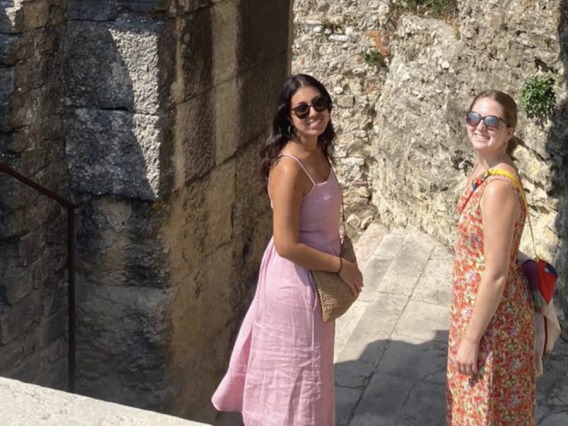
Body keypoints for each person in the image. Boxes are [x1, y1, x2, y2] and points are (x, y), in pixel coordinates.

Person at [211, 74, 363, 425]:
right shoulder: (289, 166)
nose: (314, 113)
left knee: (311, 377)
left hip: (315, 282)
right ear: (287, 117)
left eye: (320, 104)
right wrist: (341, 266)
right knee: (296, 381)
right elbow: (286, 244)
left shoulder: (318, 150)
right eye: (302, 109)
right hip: (297, 285)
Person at [446, 90, 536, 425]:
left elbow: (496, 273)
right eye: (474, 118)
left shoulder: (497, 187)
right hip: (477, 311)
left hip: (492, 324)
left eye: (492, 121)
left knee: (485, 410)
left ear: (509, 131)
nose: (479, 126)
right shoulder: (482, 168)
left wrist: (471, 340)